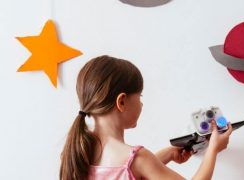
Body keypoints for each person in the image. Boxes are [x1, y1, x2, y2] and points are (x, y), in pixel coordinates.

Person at [59, 55, 233, 180]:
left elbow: (125, 172)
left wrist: (166, 155)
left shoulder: (79, 152)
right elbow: (134, 167)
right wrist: (213, 149)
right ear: (122, 101)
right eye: (139, 97)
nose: (141, 104)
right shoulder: (138, 158)